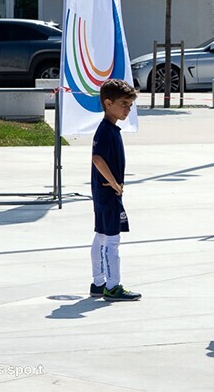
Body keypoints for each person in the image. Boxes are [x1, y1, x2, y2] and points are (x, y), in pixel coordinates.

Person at [90, 78, 141, 302]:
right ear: (108, 103)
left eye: (130, 105)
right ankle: (112, 286)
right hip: (108, 193)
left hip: (103, 193)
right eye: (123, 104)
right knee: (112, 239)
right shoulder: (106, 131)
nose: (127, 109)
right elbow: (97, 159)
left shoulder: (109, 129)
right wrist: (114, 184)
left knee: (101, 235)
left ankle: (98, 283)